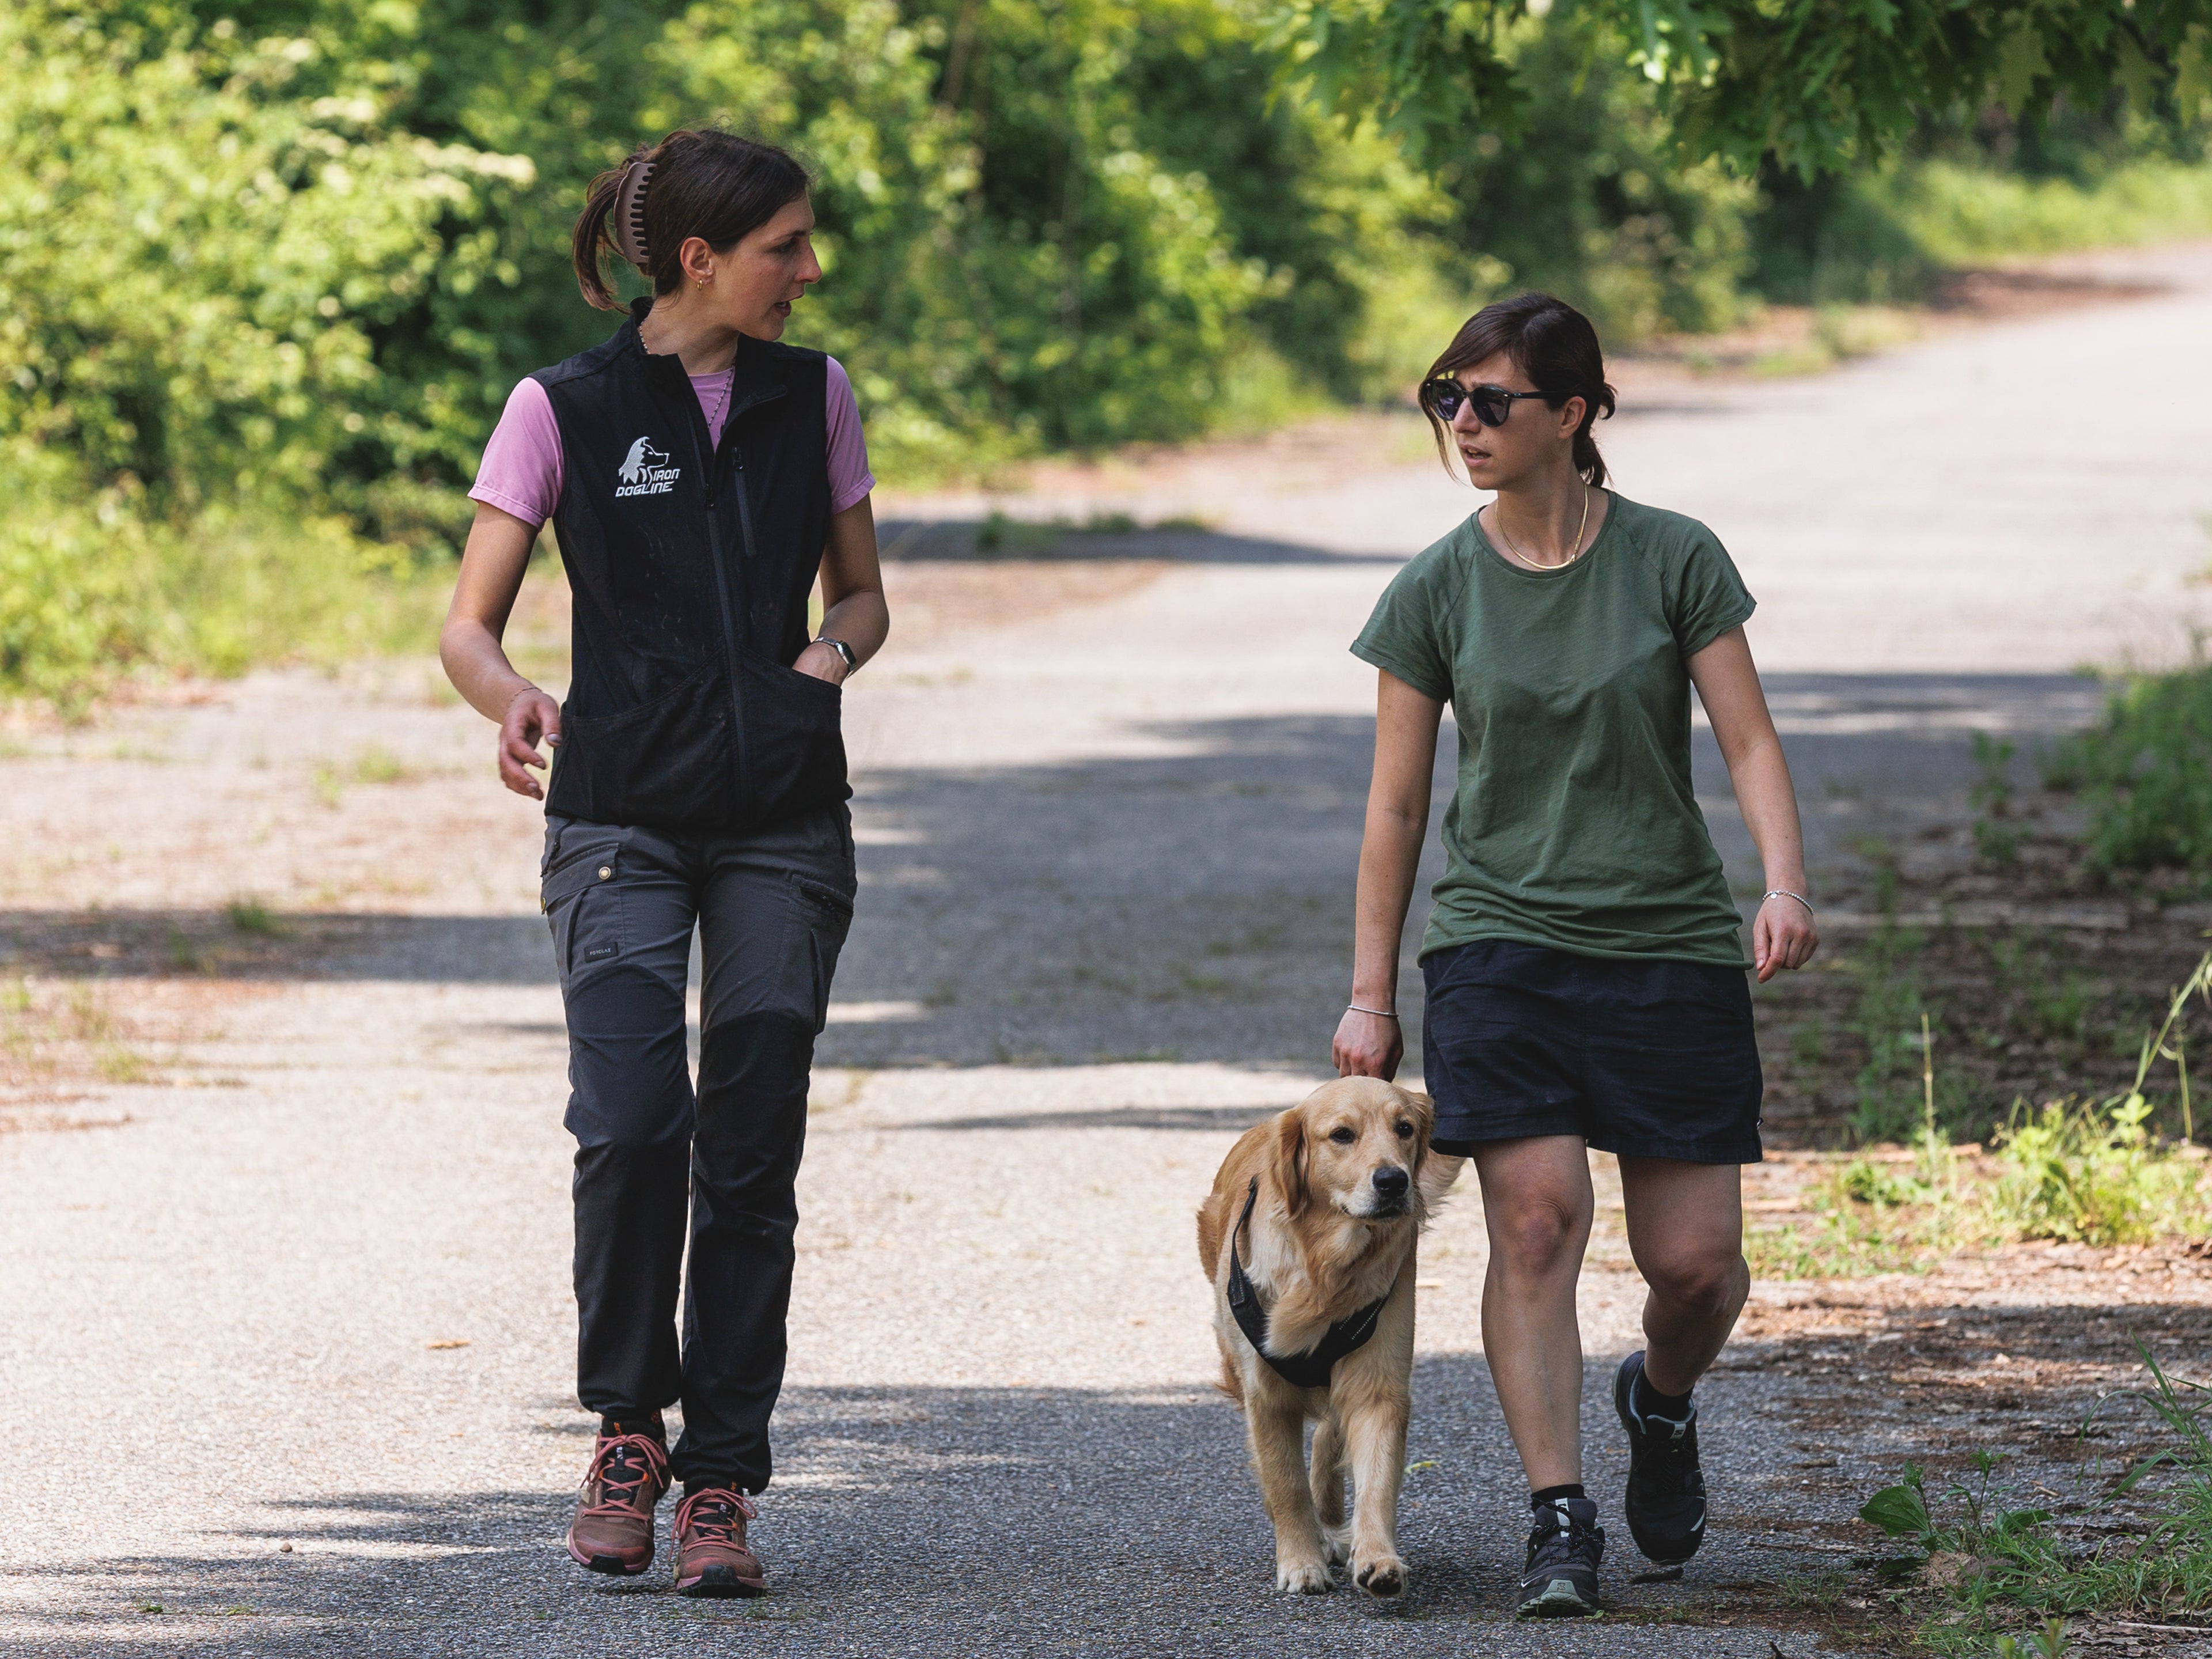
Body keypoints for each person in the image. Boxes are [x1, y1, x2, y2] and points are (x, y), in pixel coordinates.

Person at [439, 128, 888, 1599]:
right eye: (786, 248)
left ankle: (721, 1482)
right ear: (699, 257)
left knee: (753, 1125)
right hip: (619, 814)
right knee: (634, 1122)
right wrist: (505, 691)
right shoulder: (561, 405)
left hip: (780, 815)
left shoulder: (812, 393)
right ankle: (629, 1428)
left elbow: (865, 592)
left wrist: (820, 663)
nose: (809, 272)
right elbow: (467, 621)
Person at [1331, 293, 1818, 1617]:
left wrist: (1781, 880)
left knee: (1697, 1267)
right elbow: (1393, 804)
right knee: (1536, 1220)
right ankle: (1559, 1512)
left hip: (1667, 944)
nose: (1466, 424)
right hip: (1502, 945)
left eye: (1492, 402)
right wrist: (1370, 993)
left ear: (1574, 415)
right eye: (1449, 398)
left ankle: (1657, 1406)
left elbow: (1750, 741)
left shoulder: (1672, 558)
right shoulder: (1436, 585)